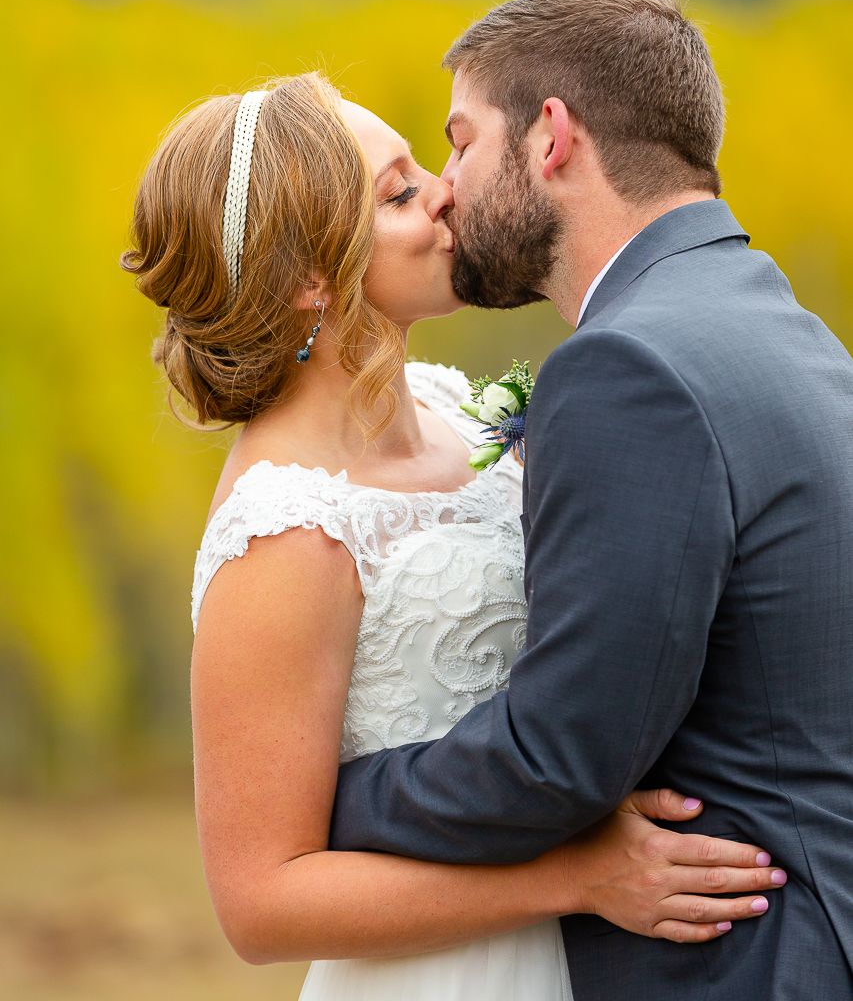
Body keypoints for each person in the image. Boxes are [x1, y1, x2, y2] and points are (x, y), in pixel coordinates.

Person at [121, 70, 782, 1001]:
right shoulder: (286, 533)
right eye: (398, 193)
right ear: (310, 276)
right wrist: (576, 880)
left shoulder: (458, 413)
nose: (445, 191)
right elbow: (260, 904)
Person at [329, 0, 853, 1000]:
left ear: (550, 137)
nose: (444, 187)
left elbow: (560, 755)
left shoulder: (630, 368)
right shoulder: (782, 327)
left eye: (461, 140)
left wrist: (327, 799)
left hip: (737, 963)